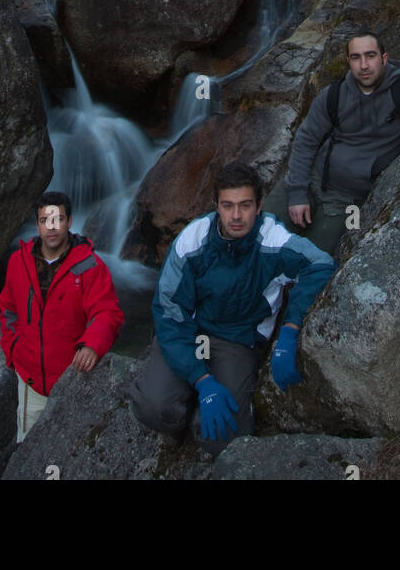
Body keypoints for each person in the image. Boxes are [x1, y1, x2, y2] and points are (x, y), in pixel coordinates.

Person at [131, 161, 334, 455]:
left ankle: (202, 404)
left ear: (259, 206)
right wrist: (202, 381)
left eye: (245, 205)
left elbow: (320, 264)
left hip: (237, 341)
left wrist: (290, 331)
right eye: (227, 206)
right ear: (216, 206)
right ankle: (185, 408)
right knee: (152, 409)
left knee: (222, 438)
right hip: (191, 332)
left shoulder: (273, 239)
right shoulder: (193, 240)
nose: (236, 216)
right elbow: (169, 312)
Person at [264, 28, 400, 254]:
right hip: (311, 179)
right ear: (348, 62)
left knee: (311, 260)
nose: (363, 65)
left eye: (370, 56)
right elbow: (306, 141)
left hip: (348, 202)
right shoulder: (334, 94)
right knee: (258, 232)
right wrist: (297, 193)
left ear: (384, 58)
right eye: (356, 57)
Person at [0, 191, 124, 441]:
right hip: (30, 380)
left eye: (58, 219)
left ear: (69, 222)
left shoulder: (89, 265)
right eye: (45, 220)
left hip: (73, 379)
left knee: (69, 446)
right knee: (27, 447)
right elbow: (8, 309)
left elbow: (107, 312)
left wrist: (92, 345)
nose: (52, 227)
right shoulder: (18, 262)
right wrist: (13, 349)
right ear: (37, 225)